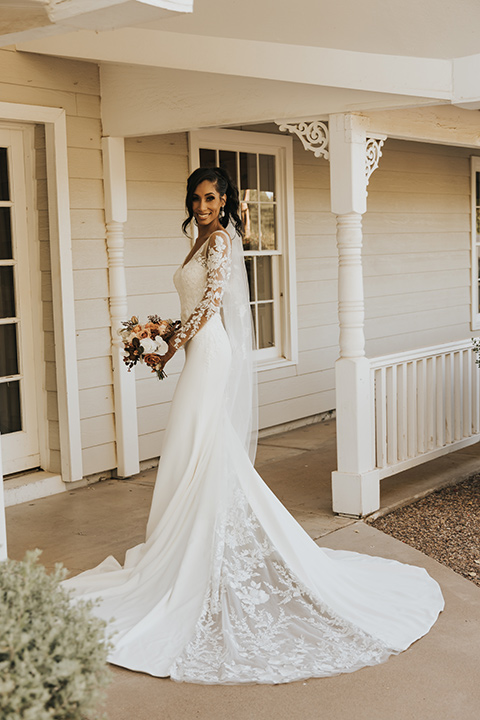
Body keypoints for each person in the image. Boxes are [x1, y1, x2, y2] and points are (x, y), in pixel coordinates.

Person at [64, 167, 444, 684]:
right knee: (196, 443)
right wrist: (162, 334)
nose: (202, 206)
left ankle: (202, 549)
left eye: (211, 198)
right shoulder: (199, 237)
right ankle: (187, 545)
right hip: (197, 348)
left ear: (224, 201)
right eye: (196, 199)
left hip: (209, 351)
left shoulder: (220, 240)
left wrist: (170, 343)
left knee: (200, 441)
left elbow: (211, 304)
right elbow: (192, 305)